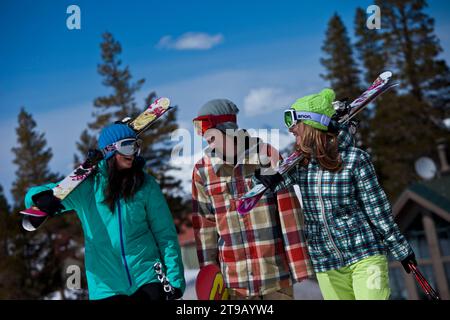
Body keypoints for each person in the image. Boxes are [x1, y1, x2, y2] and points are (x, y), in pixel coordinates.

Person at [256, 88, 417, 300]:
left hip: (365, 254)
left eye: (295, 123)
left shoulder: (355, 159)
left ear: (312, 124)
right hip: (326, 262)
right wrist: (265, 177)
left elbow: (378, 211)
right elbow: (269, 186)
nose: (291, 129)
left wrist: (401, 249)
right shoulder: (301, 164)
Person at [24, 123, 185, 301]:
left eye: (136, 146)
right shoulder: (87, 188)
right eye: (127, 146)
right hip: (106, 287)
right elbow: (46, 192)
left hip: (147, 276)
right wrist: (40, 199)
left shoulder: (145, 185)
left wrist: (175, 279)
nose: (132, 152)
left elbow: (165, 234)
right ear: (109, 150)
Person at [191, 99, 313, 300]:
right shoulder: (203, 171)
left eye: (204, 126)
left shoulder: (265, 157)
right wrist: (210, 277)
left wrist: (299, 265)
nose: (202, 135)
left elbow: (289, 211)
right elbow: (205, 227)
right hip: (234, 285)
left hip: (275, 277)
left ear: (225, 127)